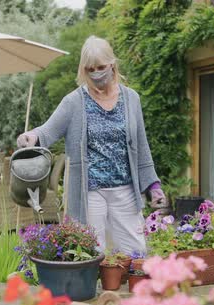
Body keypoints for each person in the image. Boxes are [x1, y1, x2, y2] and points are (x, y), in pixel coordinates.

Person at [17, 36, 166, 254]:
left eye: (101, 67)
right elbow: (48, 131)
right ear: (83, 70)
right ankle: (93, 288)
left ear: (112, 64)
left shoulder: (131, 99)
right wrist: (31, 136)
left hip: (125, 189)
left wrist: (153, 186)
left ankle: (132, 288)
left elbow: (141, 147)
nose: (96, 73)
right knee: (90, 251)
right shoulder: (73, 102)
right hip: (89, 191)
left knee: (136, 250)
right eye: (91, 69)